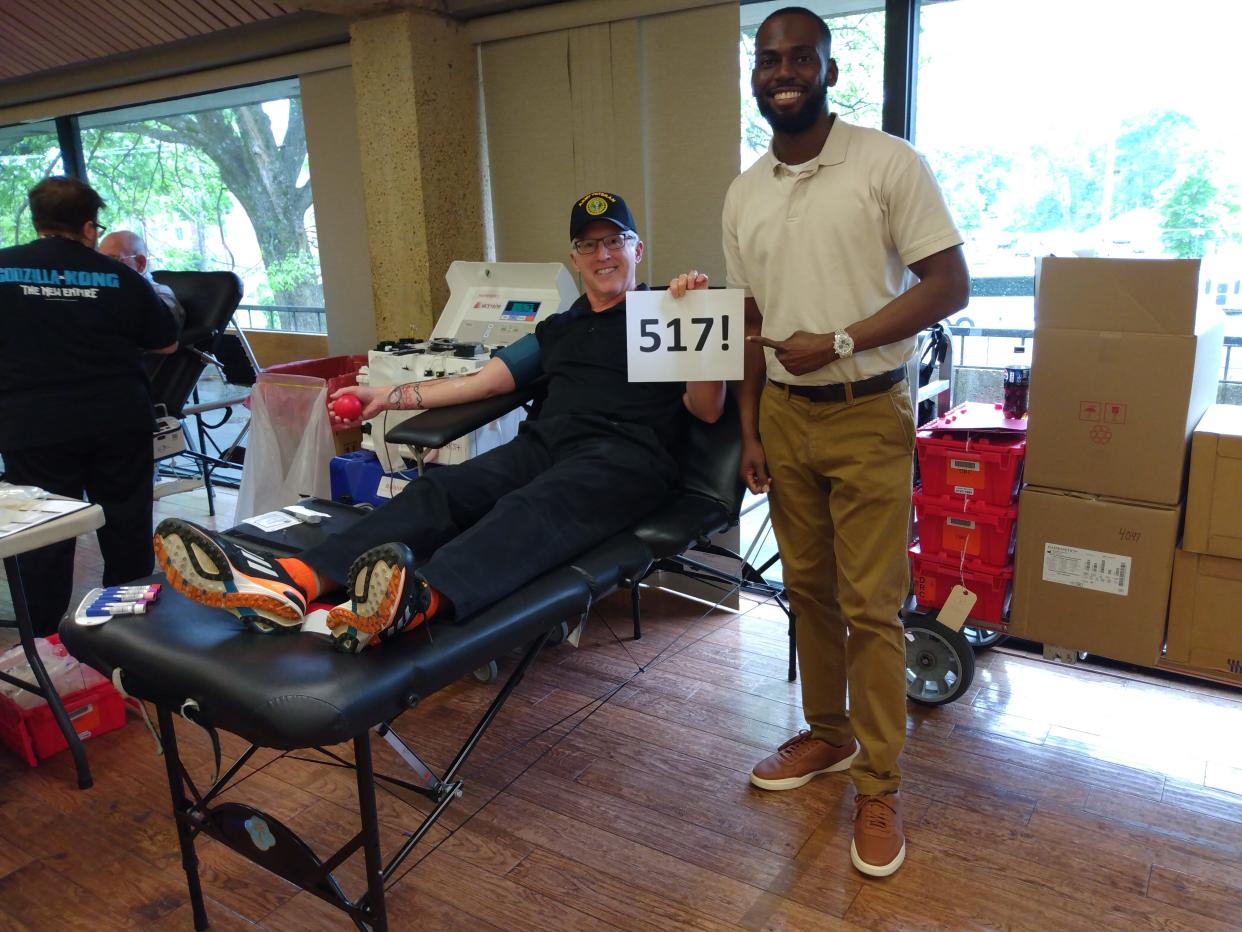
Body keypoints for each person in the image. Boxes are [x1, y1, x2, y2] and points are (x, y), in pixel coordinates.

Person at [153, 191, 726, 653]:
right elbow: (480, 382)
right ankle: (294, 582)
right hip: (549, 444)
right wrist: (387, 397)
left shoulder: (667, 312)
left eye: (615, 242)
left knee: (530, 508)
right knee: (443, 490)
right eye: (589, 245)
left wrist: (697, 312)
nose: (604, 255)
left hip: (626, 459)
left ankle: (414, 601)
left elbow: (706, 410)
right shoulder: (560, 329)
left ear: (638, 248)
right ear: (575, 259)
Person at [673, 7, 969, 879]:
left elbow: (948, 283)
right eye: (769, 59)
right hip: (789, 419)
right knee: (808, 593)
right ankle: (830, 736)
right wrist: (753, 425)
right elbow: (754, 320)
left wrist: (841, 339)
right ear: (755, 76)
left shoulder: (885, 163)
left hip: (870, 408)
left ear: (832, 71)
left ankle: (880, 782)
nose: (783, 70)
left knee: (871, 605)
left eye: (802, 56)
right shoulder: (744, 192)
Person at [0, 177, 180, 635]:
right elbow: (166, 343)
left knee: (43, 533)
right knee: (126, 524)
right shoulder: (120, 276)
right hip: (116, 418)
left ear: (37, 218)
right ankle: (129, 634)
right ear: (87, 225)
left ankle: (42, 640)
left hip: (34, 424)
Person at [99, 230, 186, 332]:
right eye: (100, 260)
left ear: (140, 263)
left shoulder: (161, 294)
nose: (102, 268)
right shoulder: (102, 291)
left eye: (111, 260)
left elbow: (161, 333)